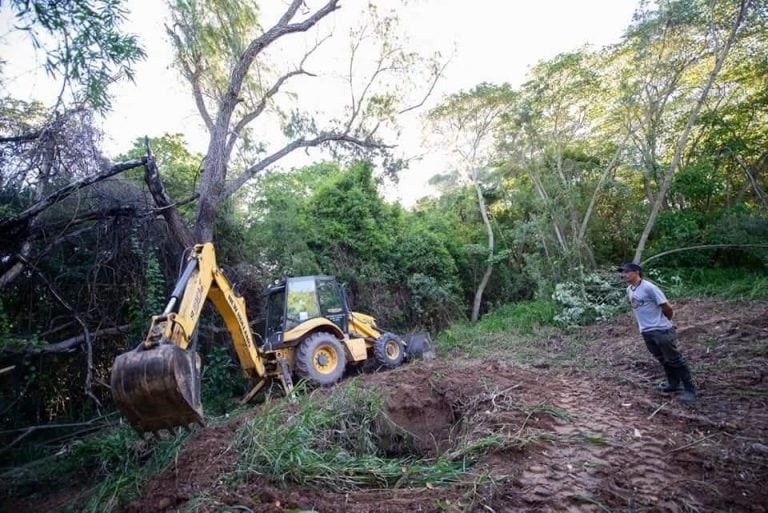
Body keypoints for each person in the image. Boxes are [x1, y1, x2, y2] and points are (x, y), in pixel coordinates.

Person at [618, 262, 696, 404]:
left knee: (675, 359)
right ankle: (673, 384)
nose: (624, 274)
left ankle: (690, 390)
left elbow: (667, 307)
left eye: (627, 272)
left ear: (637, 272)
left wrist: (664, 323)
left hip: (661, 330)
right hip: (646, 331)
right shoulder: (630, 289)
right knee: (662, 358)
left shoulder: (649, 288)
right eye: (623, 272)